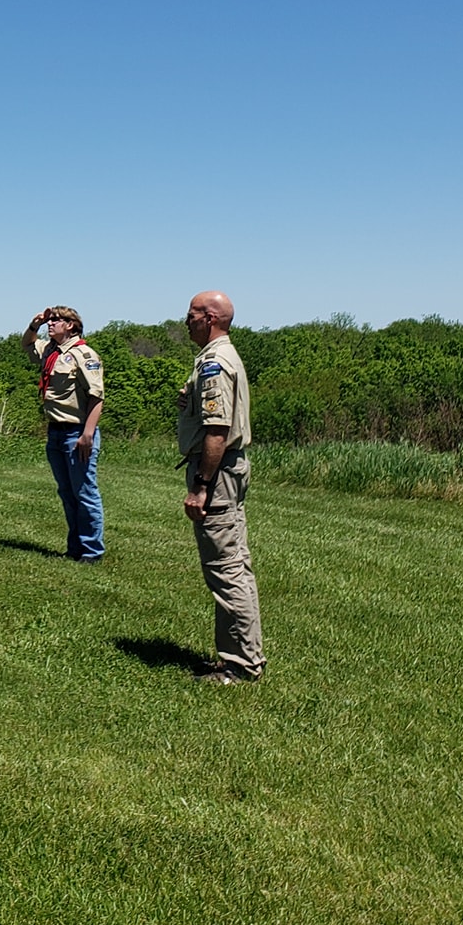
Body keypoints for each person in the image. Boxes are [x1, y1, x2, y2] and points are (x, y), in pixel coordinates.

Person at [178, 290, 265, 683]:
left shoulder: (215, 363)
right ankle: (237, 657)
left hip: (218, 472)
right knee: (234, 563)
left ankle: (240, 666)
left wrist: (201, 485)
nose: (186, 321)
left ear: (210, 317)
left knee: (226, 568)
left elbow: (217, 430)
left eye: (192, 314)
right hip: (227, 470)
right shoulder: (219, 358)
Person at [21, 305, 106, 560]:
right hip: (55, 431)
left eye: (57, 320)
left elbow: (97, 397)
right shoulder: (50, 351)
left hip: (77, 432)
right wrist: (35, 323)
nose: (51, 323)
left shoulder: (84, 354)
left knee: (84, 492)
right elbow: (27, 345)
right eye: (50, 320)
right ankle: (75, 548)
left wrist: (88, 434)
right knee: (67, 493)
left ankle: (92, 551)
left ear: (71, 325)